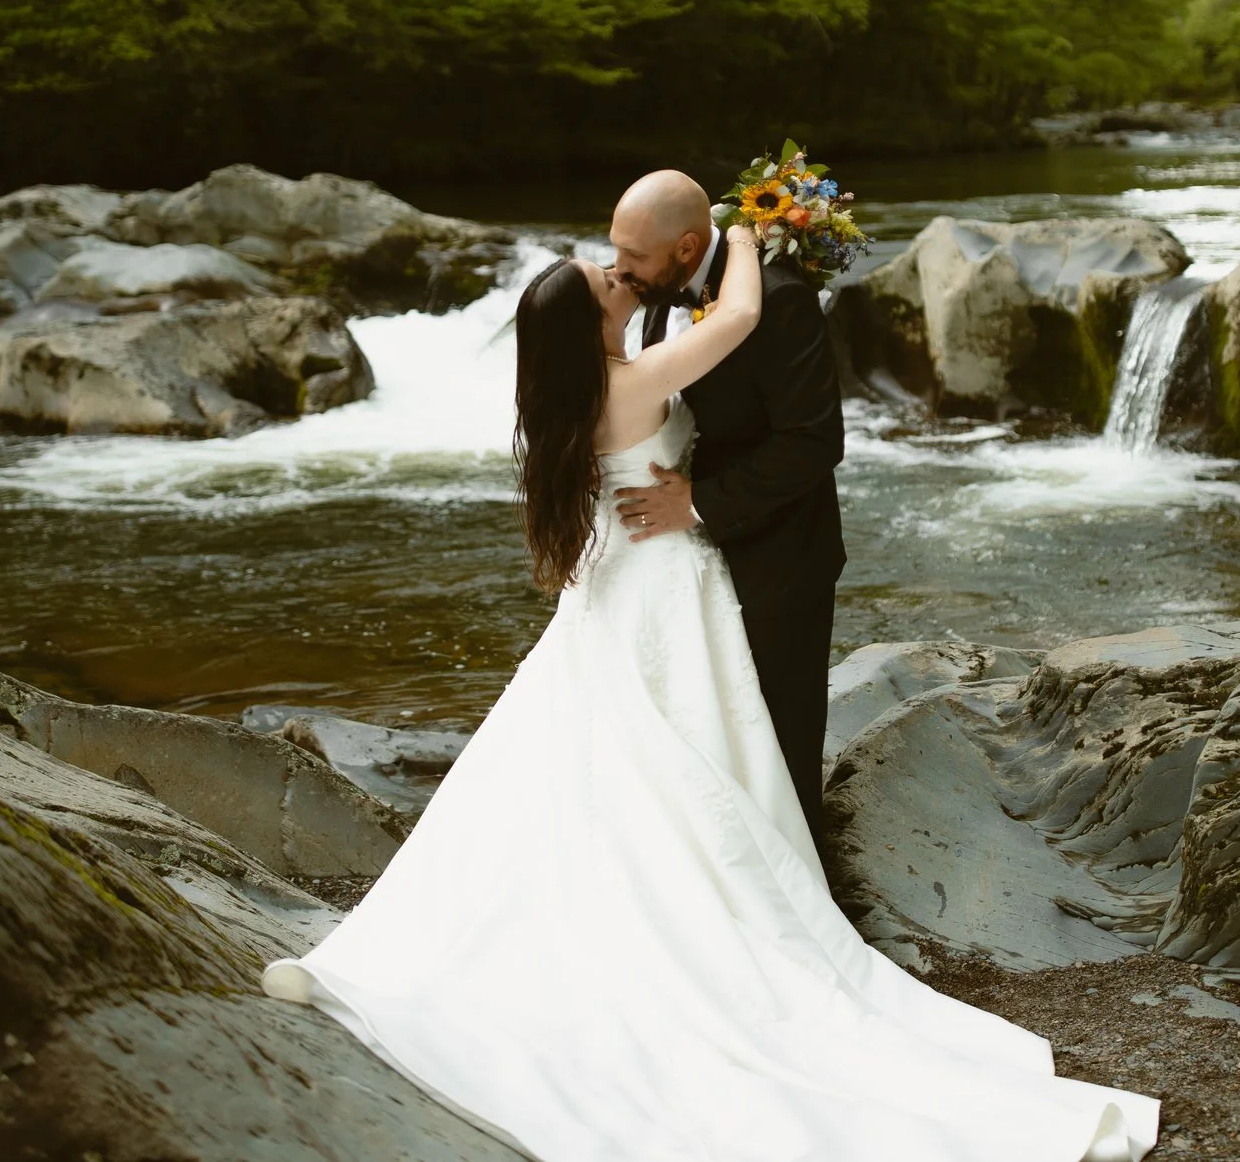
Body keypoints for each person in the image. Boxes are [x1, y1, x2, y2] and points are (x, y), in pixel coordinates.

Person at [260, 190, 1159, 1162]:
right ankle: (712, 896)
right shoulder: (633, 380)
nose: (620, 273)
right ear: (594, 318)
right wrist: (745, 230)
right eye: (609, 276)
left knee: (604, 749)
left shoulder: (567, 390)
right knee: (677, 739)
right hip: (662, 576)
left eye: (621, 258)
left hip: (616, 581)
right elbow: (733, 318)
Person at [604, 168, 846, 878]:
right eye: (614, 251)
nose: (619, 269)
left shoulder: (780, 299)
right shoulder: (650, 295)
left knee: (779, 740)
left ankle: (805, 901)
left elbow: (813, 439)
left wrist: (699, 501)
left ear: (685, 248)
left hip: (778, 559)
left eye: (633, 257)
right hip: (678, 570)